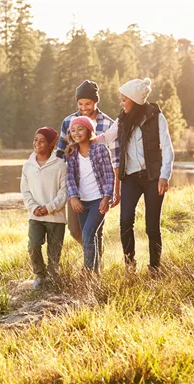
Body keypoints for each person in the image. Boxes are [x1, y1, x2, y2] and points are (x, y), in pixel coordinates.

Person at [94, 78, 174, 273]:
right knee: (125, 221)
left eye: (124, 100)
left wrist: (165, 175)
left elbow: (168, 148)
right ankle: (130, 265)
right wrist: (84, 141)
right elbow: (106, 138)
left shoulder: (157, 118)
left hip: (153, 177)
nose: (121, 103)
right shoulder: (122, 120)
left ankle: (155, 267)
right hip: (130, 177)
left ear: (135, 100)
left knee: (152, 226)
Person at [56, 80, 120, 265]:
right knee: (76, 230)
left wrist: (114, 192)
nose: (84, 108)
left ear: (96, 102)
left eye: (88, 104)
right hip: (77, 189)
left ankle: (92, 272)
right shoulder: (68, 122)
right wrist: (65, 190)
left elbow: (114, 161)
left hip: (99, 190)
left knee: (93, 231)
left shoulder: (108, 123)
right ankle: (94, 259)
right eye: (80, 104)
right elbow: (61, 155)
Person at [65, 116, 115, 274]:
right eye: (73, 130)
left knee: (88, 233)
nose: (76, 133)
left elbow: (109, 176)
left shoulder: (100, 150)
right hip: (82, 202)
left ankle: (87, 273)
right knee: (89, 236)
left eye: (80, 129)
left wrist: (106, 198)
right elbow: (70, 177)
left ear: (89, 131)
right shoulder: (72, 153)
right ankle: (96, 273)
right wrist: (73, 197)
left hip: (98, 201)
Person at [21, 126, 67, 289]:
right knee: (33, 245)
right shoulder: (28, 166)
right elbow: (25, 191)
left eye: (42, 141)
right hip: (35, 216)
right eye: (35, 140)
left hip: (56, 217)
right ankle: (40, 276)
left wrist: (49, 208)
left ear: (51, 145)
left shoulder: (61, 165)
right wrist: (34, 208)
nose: (38, 144)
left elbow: (64, 192)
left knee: (54, 252)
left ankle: (53, 279)